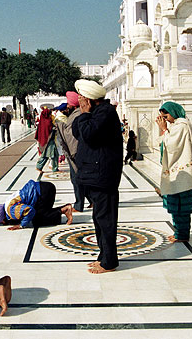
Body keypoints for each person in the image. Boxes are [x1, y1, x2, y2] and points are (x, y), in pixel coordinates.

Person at [72, 79, 123, 274]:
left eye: (82, 98)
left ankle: (109, 262)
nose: (80, 102)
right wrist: (83, 114)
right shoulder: (95, 113)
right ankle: (104, 256)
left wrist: (85, 114)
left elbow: (89, 134)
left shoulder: (106, 113)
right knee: (99, 218)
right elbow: (78, 132)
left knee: (106, 219)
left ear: (90, 99)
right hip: (94, 174)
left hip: (102, 176)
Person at [155, 101, 192, 243]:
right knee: (175, 204)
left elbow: (172, 146)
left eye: (166, 115)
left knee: (181, 206)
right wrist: (166, 130)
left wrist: (164, 129)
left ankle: (182, 234)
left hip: (182, 174)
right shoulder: (177, 126)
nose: (165, 119)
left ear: (173, 112)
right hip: (178, 173)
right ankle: (179, 232)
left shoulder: (181, 126)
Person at [55, 91, 91, 212]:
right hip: (76, 151)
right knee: (79, 178)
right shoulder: (75, 113)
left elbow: (70, 135)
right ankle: (92, 201)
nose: (67, 106)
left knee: (76, 178)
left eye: (69, 104)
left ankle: (79, 204)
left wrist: (59, 125)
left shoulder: (76, 115)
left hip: (76, 152)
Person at [0, 180, 72, 229]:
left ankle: (64, 209)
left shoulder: (11, 211)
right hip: (45, 187)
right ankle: (60, 212)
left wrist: (21, 225)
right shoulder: (7, 204)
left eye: (1, 222)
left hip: (43, 192)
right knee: (40, 214)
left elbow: (29, 210)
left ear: (2, 219)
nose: (2, 223)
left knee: (38, 221)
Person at [34, 107, 59, 173]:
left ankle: (39, 166)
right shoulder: (48, 121)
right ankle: (55, 168)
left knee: (46, 154)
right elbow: (52, 130)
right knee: (53, 154)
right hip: (49, 141)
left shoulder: (42, 121)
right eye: (50, 114)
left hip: (44, 141)